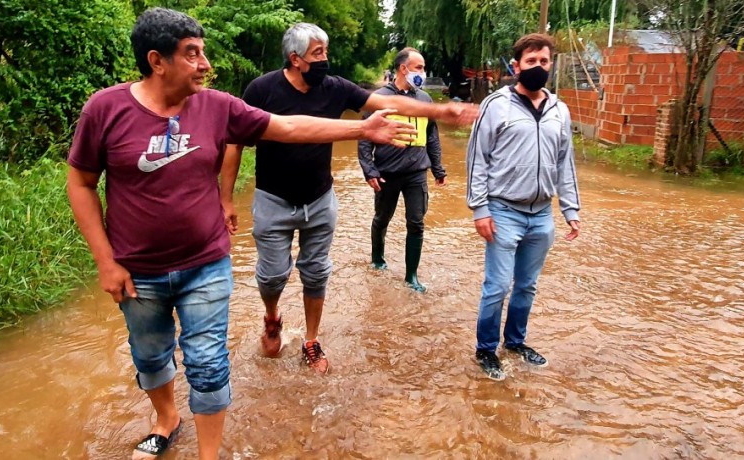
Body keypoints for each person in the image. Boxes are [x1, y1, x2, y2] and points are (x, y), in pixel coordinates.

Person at [66, 8, 415, 460]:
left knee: (208, 364)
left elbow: (287, 126)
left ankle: (208, 455)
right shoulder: (105, 109)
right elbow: (81, 183)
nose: (205, 64)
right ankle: (167, 418)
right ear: (157, 61)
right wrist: (105, 262)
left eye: (204, 52)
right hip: (137, 271)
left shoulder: (217, 106)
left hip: (206, 263)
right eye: (193, 54)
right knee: (151, 357)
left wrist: (362, 128)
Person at [221, 23, 476, 375]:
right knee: (272, 275)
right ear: (295, 59)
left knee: (316, 272)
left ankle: (311, 340)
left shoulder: (334, 88)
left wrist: (440, 111)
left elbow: (385, 100)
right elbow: (234, 142)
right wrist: (226, 199)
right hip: (272, 199)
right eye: (317, 54)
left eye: (325, 51)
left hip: (320, 197)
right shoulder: (261, 90)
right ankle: (272, 316)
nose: (325, 59)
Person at [465, 33, 581, 381]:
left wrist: (571, 210)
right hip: (503, 210)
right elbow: (477, 159)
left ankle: (515, 342)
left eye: (543, 61)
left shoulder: (560, 111)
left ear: (551, 64)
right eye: (531, 62)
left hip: (542, 214)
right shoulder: (495, 105)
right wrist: (480, 209)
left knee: (527, 285)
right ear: (516, 66)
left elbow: (565, 163)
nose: (538, 67)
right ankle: (486, 349)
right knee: (498, 285)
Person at [358, 47, 447, 293]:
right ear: (403, 69)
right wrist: (369, 170)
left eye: (423, 68)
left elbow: (432, 137)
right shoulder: (379, 99)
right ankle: (377, 259)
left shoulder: (425, 100)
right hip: (387, 171)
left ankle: (411, 276)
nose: (422, 72)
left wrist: (438, 169)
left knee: (416, 223)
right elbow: (364, 137)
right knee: (382, 218)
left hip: (417, 171)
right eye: (418, 67)